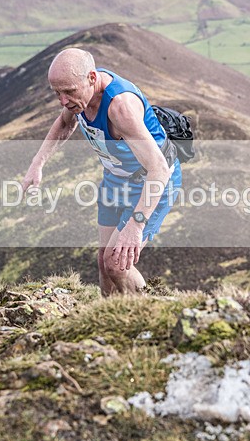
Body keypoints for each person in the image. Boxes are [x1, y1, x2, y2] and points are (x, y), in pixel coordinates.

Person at [21, 48, 181, 296]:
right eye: (57, 93)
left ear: (92, 79)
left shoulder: (120, 108)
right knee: (103, 260)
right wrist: (37, 163)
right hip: (115, 179)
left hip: (151, 182)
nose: (63, 101)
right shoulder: (80, 96)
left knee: (116, 263)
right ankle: (107, 315)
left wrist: (136, 225)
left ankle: (153, 310)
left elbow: (158, 169)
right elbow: (65, 123)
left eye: (69, 92)